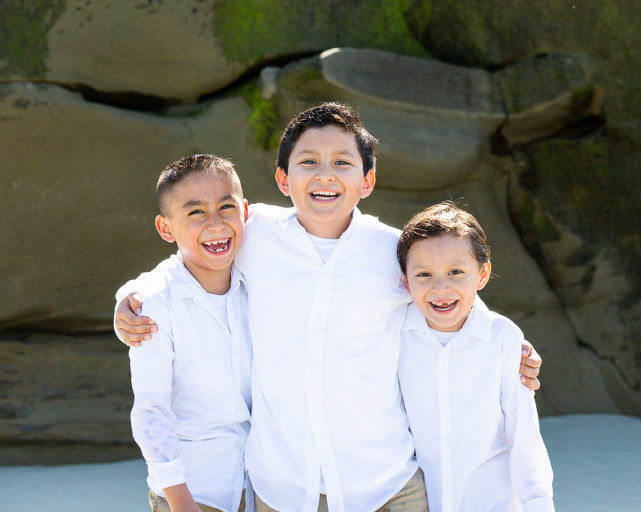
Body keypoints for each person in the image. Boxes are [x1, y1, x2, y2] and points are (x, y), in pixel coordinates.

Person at [115, 103, 543, 512]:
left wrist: (511, 349)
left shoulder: (392, 251)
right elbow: (186, 256)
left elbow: (449, 290)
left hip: (386, 485)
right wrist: (129, 298)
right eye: (308, 162)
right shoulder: (250, 233)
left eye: (342, 162)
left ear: (367, 181)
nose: (325, 175)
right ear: (283, 179)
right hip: (282, 489)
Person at [396, 202, 554, 512]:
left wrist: (538, 503)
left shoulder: (503, 339)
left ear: (482, 274)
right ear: (405, 282)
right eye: (424, 274)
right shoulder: (394, 336)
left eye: (456, 272)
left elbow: (523, 435)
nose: (441, 288)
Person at [126, 155, 251, 512]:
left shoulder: (257, 279)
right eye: (195, 212)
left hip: (261, 488)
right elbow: (151, 413)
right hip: (195, 494)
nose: (216, 224)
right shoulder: (152, 304)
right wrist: (182, 504)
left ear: (244, 210)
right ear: (166, 229)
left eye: (226, 207)